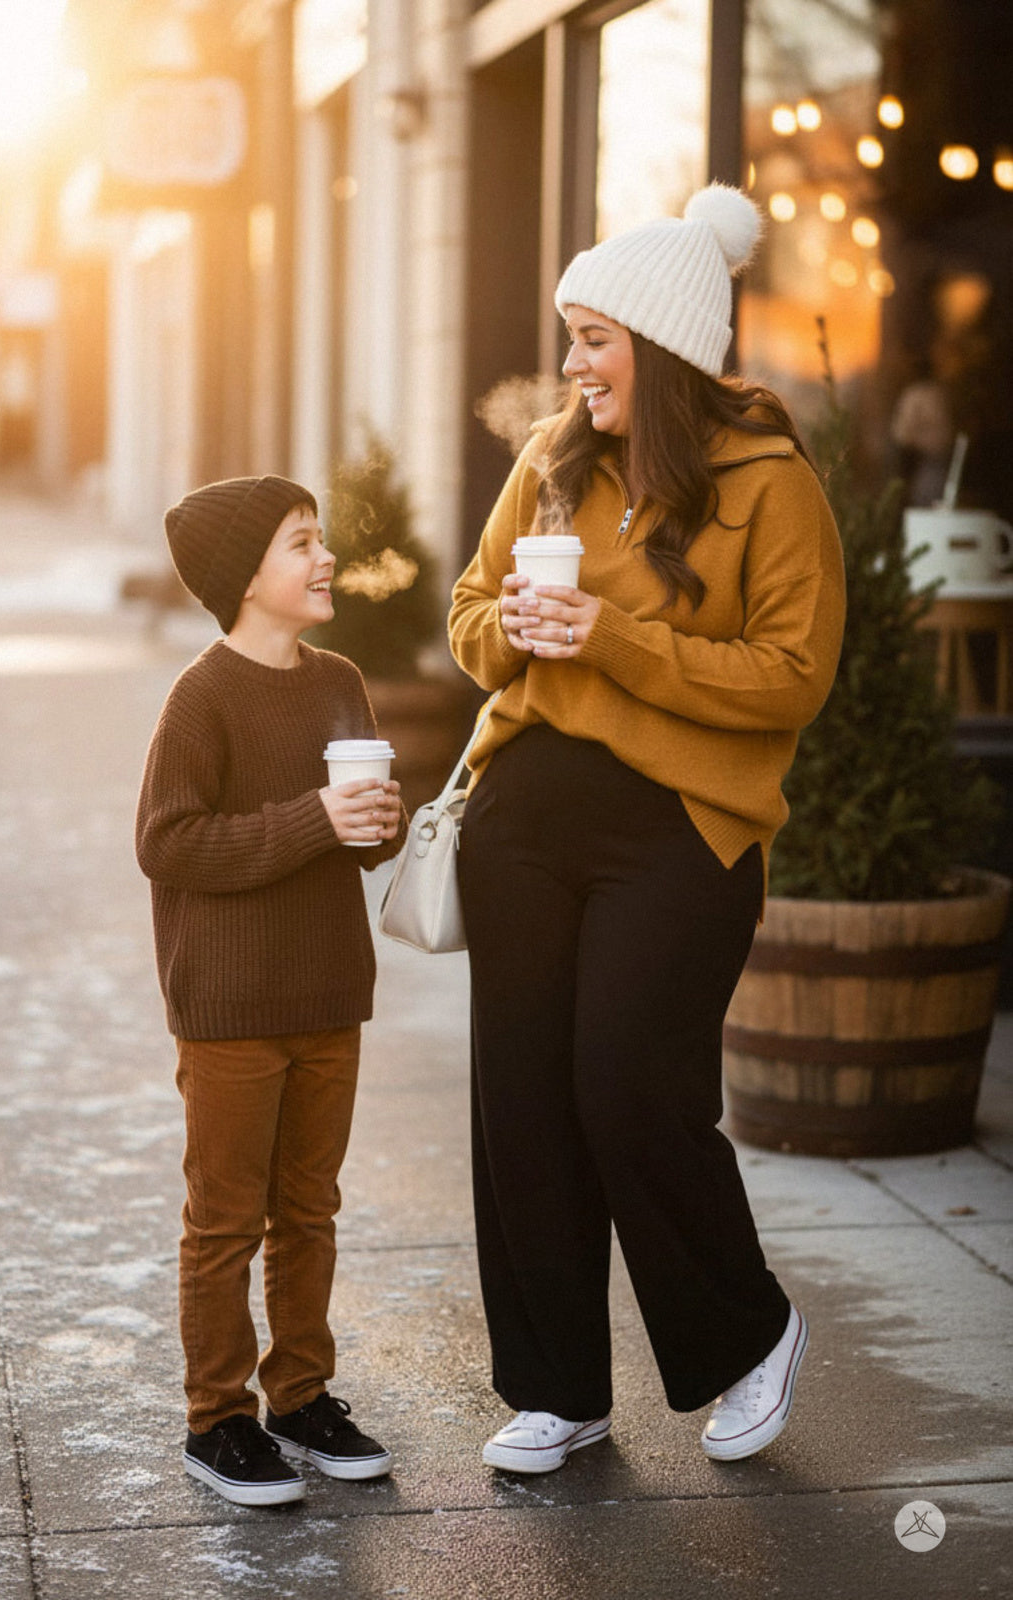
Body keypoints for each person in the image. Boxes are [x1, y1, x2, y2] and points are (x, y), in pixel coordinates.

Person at [448, 184, 846, 1474]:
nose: (570, 365)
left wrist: (615, 641)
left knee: (626, 1085)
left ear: (660, 346)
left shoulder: (769, 486)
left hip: (682, 830)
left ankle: (747, 1333)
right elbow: (463, 620)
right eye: (568, 336)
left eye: (592, 338)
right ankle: (558, 1388)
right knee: (521, 1100)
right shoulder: (551, 463)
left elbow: (789, 675)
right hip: (521, 819)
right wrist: (517, 625)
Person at [136, 475, 405, 1506]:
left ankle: (299, 1394)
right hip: (231, 1009)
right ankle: (217, 1417)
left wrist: (375, 818)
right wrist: (311, 821)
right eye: (302, 542)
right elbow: (164, 840)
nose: (325, 556)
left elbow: (360, 828)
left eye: (320, 537)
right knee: (224, 1220)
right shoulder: (200, 696)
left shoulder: (340, 679)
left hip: (330, 992)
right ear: (247, 578)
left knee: (309, 1208)